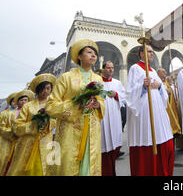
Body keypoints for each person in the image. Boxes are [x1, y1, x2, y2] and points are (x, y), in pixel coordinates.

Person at [46, 39, 106, 176]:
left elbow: (101, 101)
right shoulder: (66, 77)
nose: (93, 56)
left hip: (92, 128)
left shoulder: (98, 79)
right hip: (70, 129)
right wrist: (74, 105)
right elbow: (50, 105)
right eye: (89, 52)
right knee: (68, 164)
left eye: (95, 54)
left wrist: (98, 105)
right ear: (79, 56)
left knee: (89, 163)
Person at [125, 45, 174, 176]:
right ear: (141, 54)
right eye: (149, 51)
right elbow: (129, 93)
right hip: (145, 111)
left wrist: (159, 87)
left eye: (152, 52)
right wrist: (142, 86)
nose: (152, 54)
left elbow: (162, 92)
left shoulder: (152, 70)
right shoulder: (135, 68)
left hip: (158, 111)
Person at [7, 74, 56, 176]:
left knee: (43, 168)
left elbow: (58, 121)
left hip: (46, 142)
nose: (46, 91)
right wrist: (34, 125)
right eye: (43, 88)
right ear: (38, 90)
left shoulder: (53, 105)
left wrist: (47, 123)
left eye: (48, 88)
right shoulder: (28, 106)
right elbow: (17, 126)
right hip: (27, 143)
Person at [100, 61, 126, 176]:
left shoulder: (118, 83)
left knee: (114, 146)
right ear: (103, 69)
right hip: (102, 120)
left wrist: (116, 95)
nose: (111, 70)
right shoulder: (97, 82)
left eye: (112, 68)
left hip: (115, 118)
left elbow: (124, 98)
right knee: (103, 149)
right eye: (108, 68)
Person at [2, 89, 35, 175]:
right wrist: (12, 134)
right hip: (11, 142)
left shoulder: (31, 112)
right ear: (17, 102)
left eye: (26, 100)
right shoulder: (9, 113)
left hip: (26, 141)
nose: (24, 102)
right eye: (21, 100)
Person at [157, 68, 182, 137]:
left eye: (165, 71)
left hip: (171, 106)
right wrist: (165, 91)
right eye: (163, 72)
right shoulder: (158, 82)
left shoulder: (166, 83)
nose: (165, 73)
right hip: (164, 107)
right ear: (158, 73)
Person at [0, 92, 18, 175]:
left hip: (18, 141)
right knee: (3, 158)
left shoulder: (21, 112)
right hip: (5, 140)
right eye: (13, 101)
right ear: (10, 102)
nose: (15, 103)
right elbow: (1, 127)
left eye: (16, 101)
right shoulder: (3, 114)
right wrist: (11, 133)